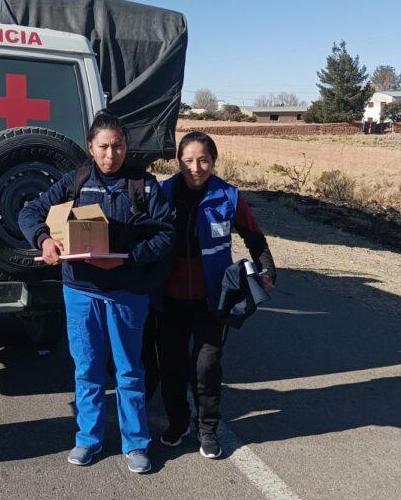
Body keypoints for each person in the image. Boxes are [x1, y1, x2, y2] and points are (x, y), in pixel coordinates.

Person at [19, 111, 174, 474]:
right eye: (103, 146)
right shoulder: (74, 182)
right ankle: (88, 438)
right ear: (91, 147)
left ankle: (136, 443)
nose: (110, 154)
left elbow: (166, 234)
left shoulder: (145, 186)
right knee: (86, 368)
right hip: (81, 291)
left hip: (127, 291)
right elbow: (31, 212)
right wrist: (43, 241)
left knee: (129, 370)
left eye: (117, 145)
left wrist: (129, 259)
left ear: (126, 146)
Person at [157, 131, 276, 459]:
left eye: (204, 160)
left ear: (214, 161)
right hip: (170, 297)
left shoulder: (229, 196)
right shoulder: (163, 193)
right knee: (172, 364)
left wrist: (266, 270)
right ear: (179, 161)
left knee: (206, 366)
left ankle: (206, 428)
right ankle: (178, 422)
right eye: (189, 160)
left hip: (214, 299)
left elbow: (254, 236)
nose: (196, 167)